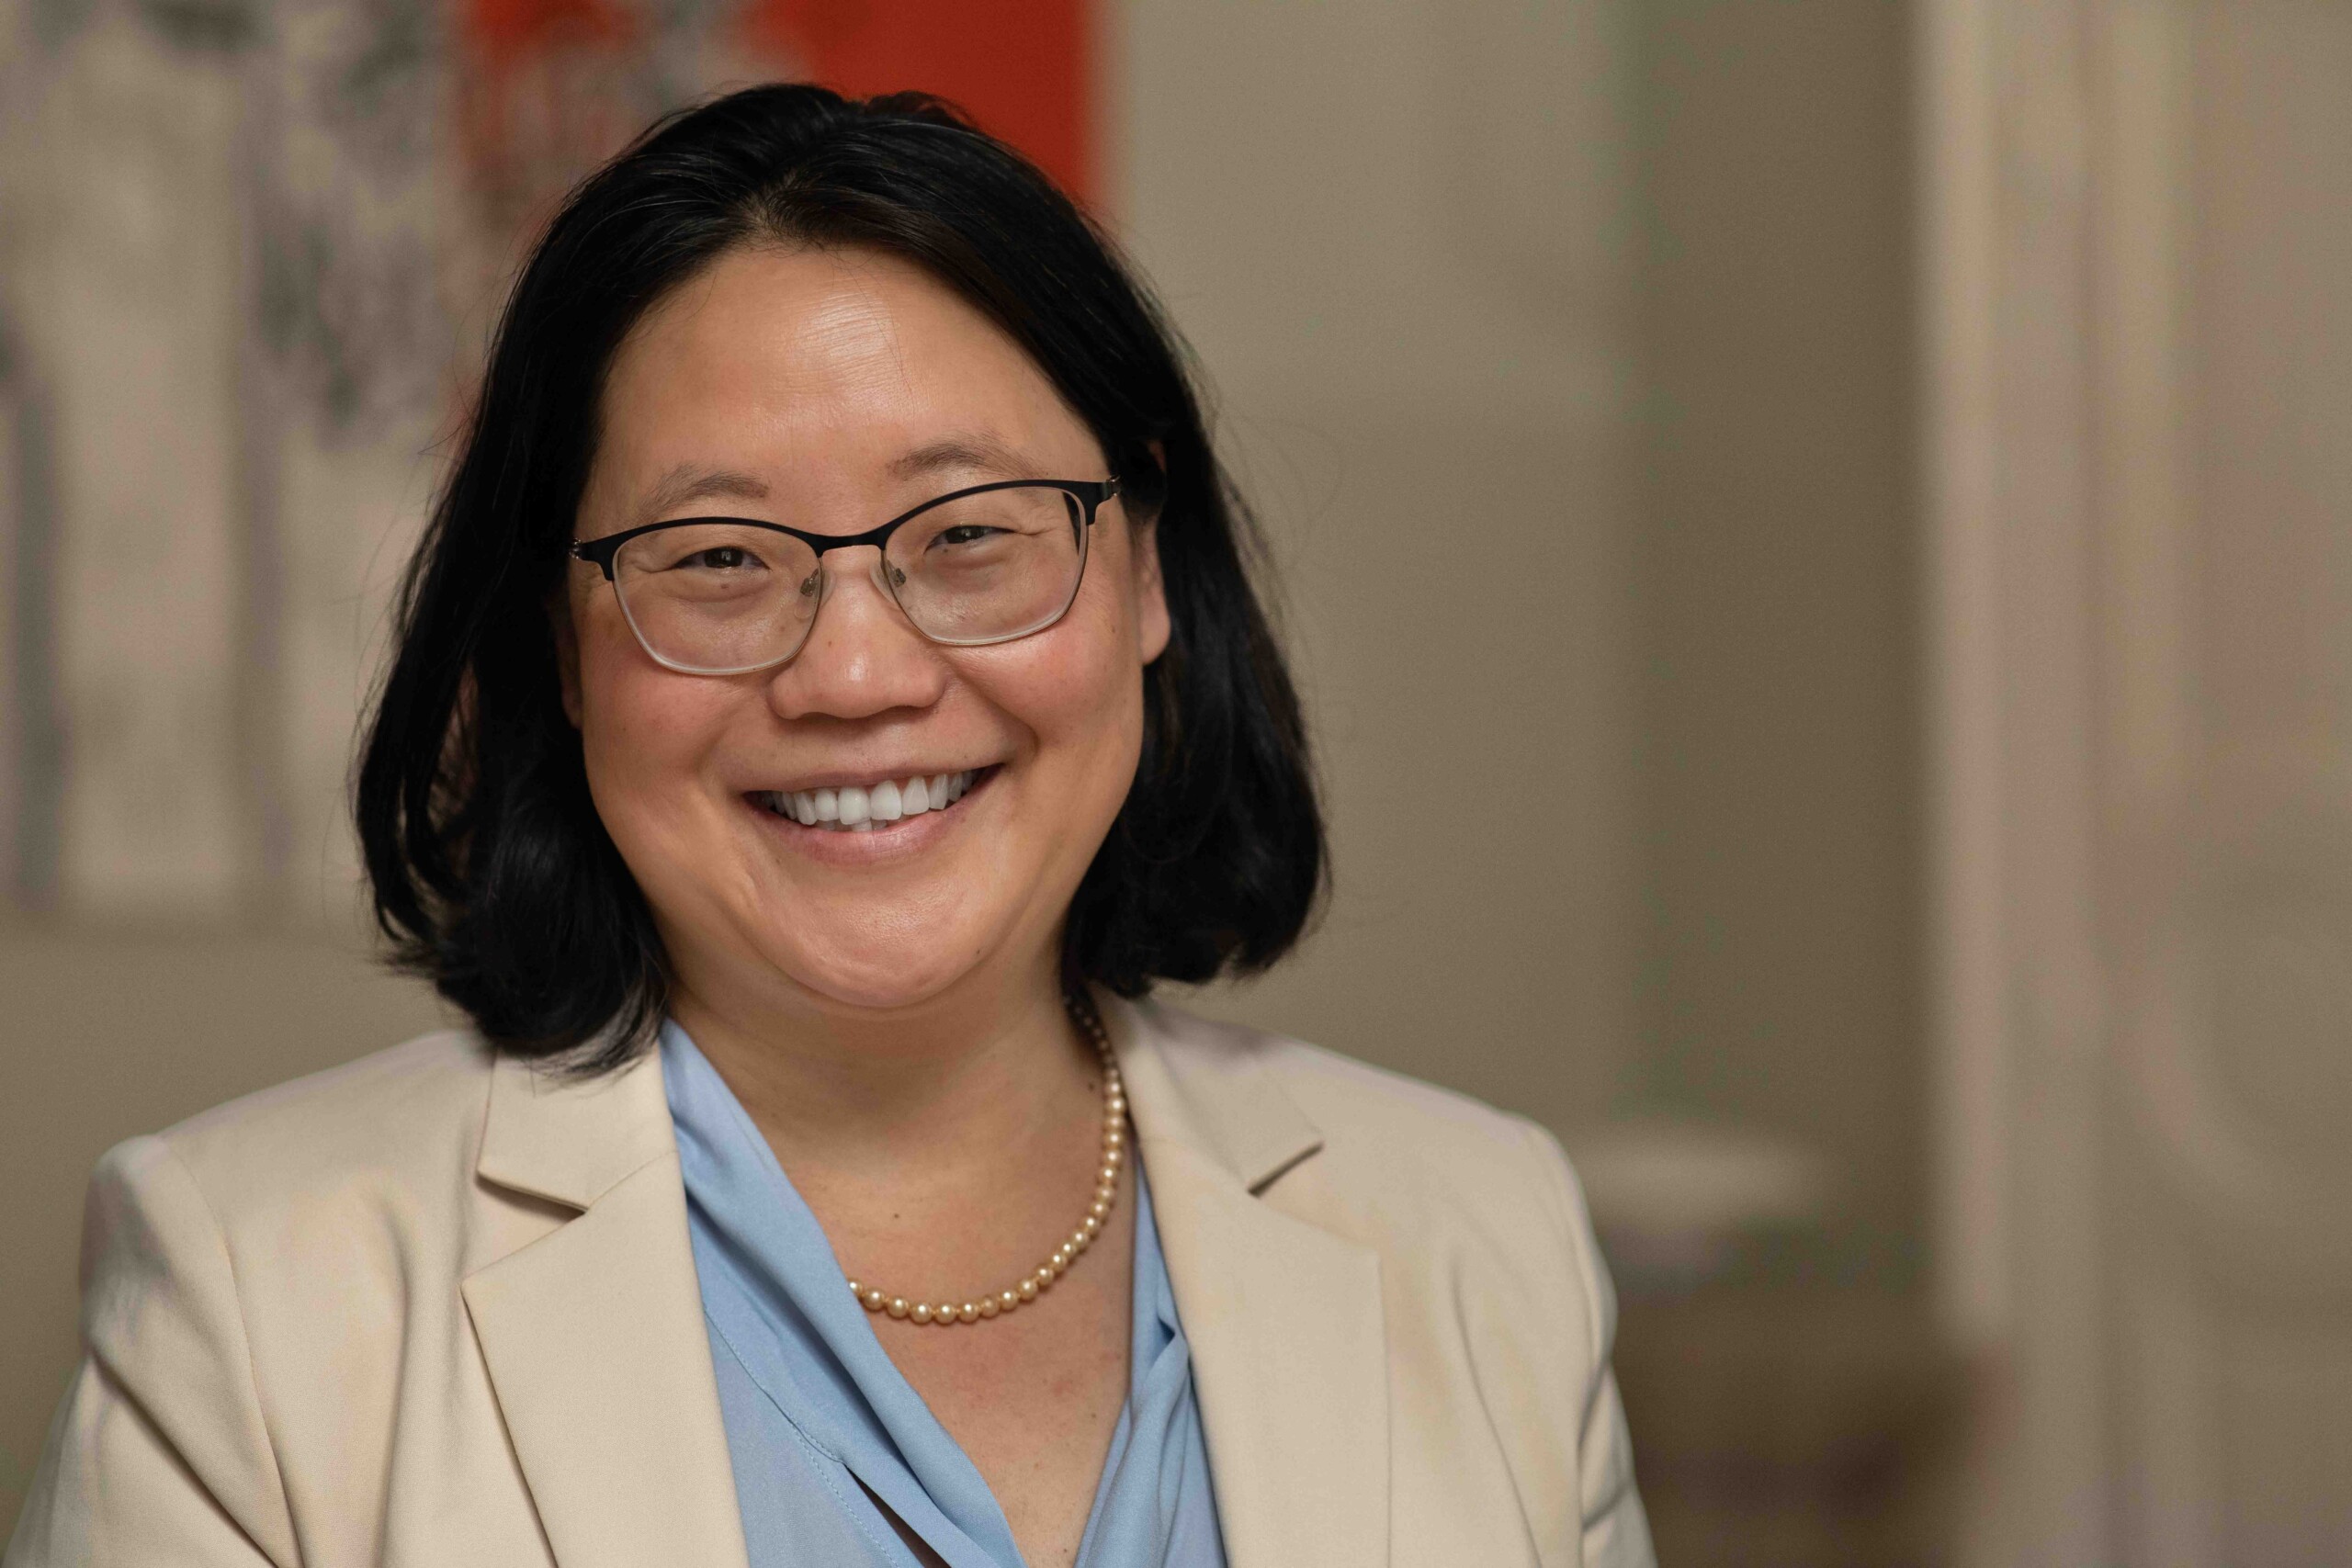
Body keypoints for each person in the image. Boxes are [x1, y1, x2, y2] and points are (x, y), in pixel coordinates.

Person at [5, 85, 1651, 1568]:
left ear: (1146, 568)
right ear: (562, 655)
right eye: (718, 558)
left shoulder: (1480, 1234)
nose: (856, 673)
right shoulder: (250, 1295)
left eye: (972, 534)